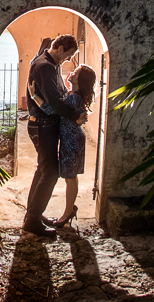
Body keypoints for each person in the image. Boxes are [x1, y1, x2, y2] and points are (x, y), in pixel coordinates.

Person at [21, 34, 82, 238]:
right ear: (61, 48)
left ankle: (33, 215)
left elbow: (60, 94)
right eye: (68, 55)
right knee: (50, 173)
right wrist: (75, 115)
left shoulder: (51, 64)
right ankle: (32, 220)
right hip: (42, 126)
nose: (67, 60)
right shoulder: (44, 65)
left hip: (46, 125)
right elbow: (55, 101)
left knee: (43, 170)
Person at [43, 64, 96, 228]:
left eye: (76, 72)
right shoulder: (72, 94)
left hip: (71, 138)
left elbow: (52, 109)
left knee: (70, 177)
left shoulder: (74, 98)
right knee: (70, 177)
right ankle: (70, 208)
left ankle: (67, 213)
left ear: (81, 79)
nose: (72, 72)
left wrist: (34, 96)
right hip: (70, 137)